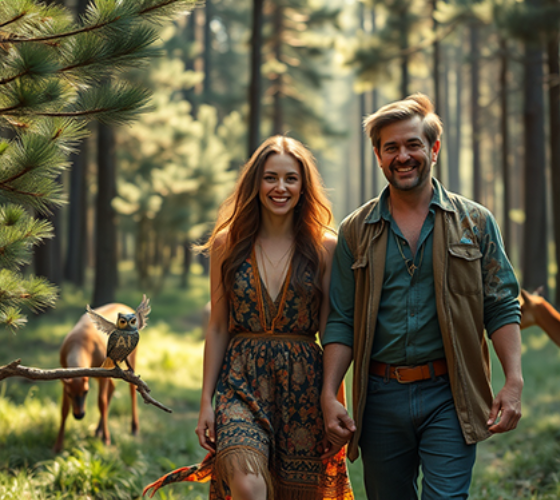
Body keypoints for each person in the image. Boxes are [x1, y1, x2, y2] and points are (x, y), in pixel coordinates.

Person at [320, 94, 523, 500]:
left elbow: (500, 304)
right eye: (391, 147)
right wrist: (329, 393)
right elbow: (341, 319)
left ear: (433, 148)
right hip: (379, 397)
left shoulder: (476, 222)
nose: (403, 156)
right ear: (378, 156)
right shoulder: (356, 230)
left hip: (451, 391)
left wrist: (513, 380)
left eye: (413, 144)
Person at [144, 136, 353, 500]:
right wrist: (206, 401)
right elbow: (219, 325)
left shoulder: (325, 247)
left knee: (298, 492)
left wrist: (334, 400)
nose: (280, 187)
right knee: (248, 485)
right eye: (271, 177)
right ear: (256, 182)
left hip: (303, 383)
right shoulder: (228, 243)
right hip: (241, 380)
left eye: (291, 178)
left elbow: (330, 330)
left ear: (304, 186)